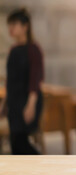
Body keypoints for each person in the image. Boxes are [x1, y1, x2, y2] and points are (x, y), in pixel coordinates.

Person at [0, 8, 44, 155]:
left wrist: (31, 105)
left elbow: (35, 79)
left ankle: (43, 165)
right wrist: (5, 103)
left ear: (25, 26)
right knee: (15, 142)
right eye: (9, 24)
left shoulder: (33, 49)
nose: (11, 28)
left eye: (14, 24)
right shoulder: (13, 50)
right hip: (14, 101)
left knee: (20, 142)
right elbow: (10, 80)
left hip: (27, 101)